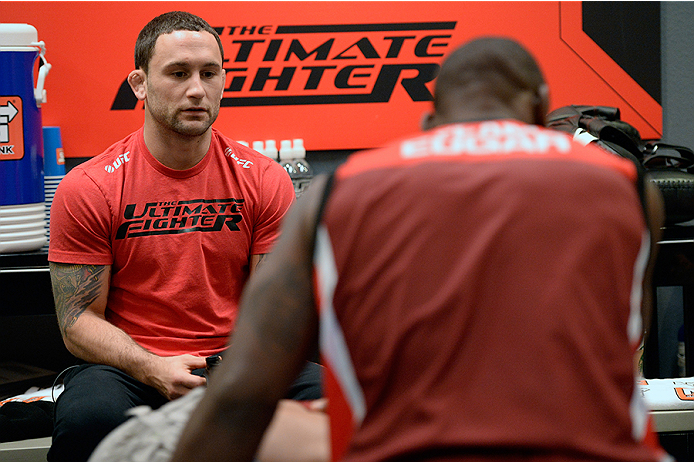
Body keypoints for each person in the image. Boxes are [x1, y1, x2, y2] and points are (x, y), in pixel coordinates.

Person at [170, 37, 673, 462]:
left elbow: (240, 398)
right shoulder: (630, 189)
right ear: (542, 112)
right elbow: (625, 348)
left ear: (431, 122)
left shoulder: (334, 195)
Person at [47, 11, 322, 462]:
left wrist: (240, 374)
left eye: (208, 73)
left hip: (238, 358)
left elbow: (272, 307)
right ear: (139, 83)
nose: (196, 89)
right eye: (178, 73)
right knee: (88, 418)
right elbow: (76, 322)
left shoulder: (264, 179)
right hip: (129, 367)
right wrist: (152, 367)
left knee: (335, 403)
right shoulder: (90, 186)